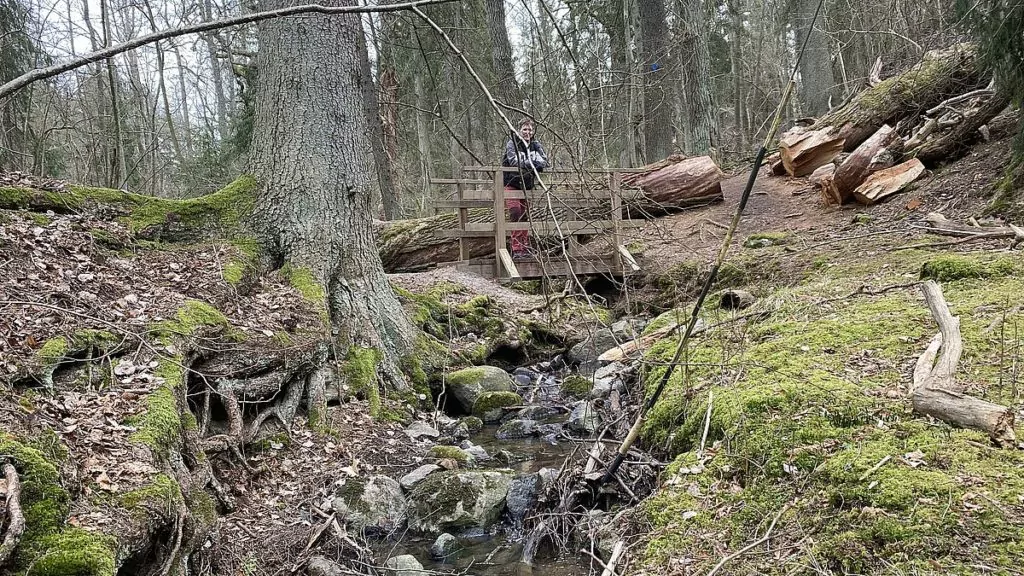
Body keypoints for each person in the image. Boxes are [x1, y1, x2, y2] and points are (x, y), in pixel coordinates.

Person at [502, 118, 549, 260]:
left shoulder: (535, 145)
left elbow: (545, 161)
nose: (527, 132)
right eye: (524, 129)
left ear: (533, 131)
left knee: (525, 215)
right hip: (512, 183)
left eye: (529, 130)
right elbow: (514, 161)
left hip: (527, 186)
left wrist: (532, 163)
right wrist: (534, 163)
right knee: (515, 213)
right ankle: (516, 249)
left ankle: (525, 246)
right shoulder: (513, 144)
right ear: (519, 130)